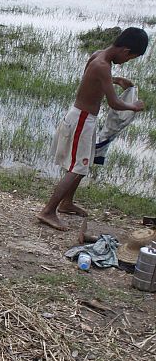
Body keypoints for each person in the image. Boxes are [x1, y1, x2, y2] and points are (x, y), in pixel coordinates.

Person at [37, 27, 148, 231]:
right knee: (77, 167)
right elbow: (114, 103)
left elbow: (91, 77)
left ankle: (66, 203)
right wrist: (134, 106)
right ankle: (48, 211)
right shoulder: (102, 65)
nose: (127, 61)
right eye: (131, 58)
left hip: (83, 118)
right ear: (126, 51)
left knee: (84, 163)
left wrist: (114, 80)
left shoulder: (99, 56)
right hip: (82, 120)